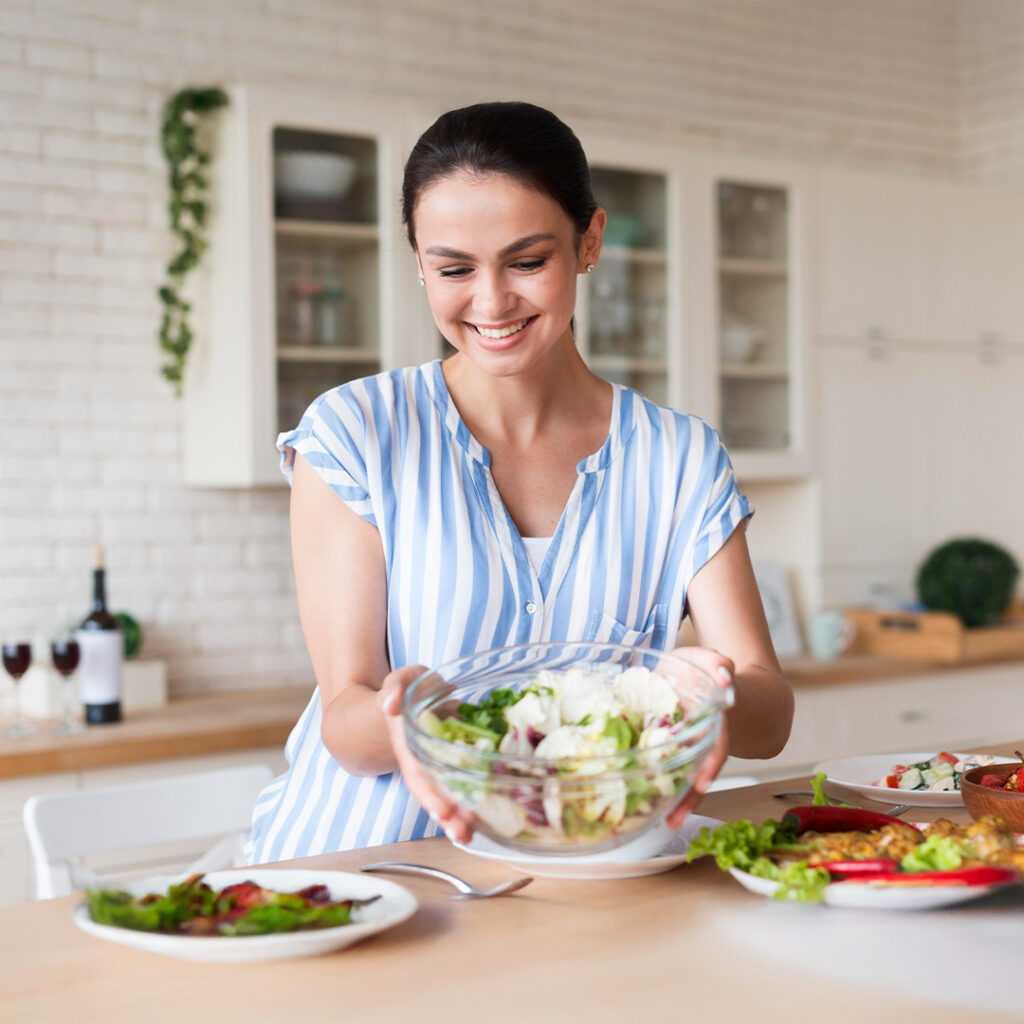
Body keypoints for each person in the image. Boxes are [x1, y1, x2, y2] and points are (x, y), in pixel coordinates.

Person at [244, 101, 793, 864]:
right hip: (371, 870)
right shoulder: (357, 431)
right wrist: (406, 723)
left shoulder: (679, 457)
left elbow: (770, 716)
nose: (492, 301)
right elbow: (348, 720)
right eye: (453, 269)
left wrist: (713, 692)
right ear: (419, 263)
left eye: (528, 261)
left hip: (585, 884)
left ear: (589, 242)